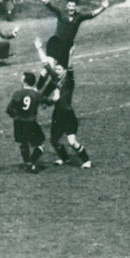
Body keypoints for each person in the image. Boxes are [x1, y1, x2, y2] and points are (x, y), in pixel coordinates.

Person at [33, 37, 91, 168]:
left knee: (72, 142)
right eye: (56, 69)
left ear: (64, 72)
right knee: (54, 141)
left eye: (59, 69)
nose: (57, 71)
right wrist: (39, 49)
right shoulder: (55, 79)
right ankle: (65, 159)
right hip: (57, 115)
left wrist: (70, 55)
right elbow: (46, 65)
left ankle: (87, 161)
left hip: (68, 115)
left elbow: (70, 67)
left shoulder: (69, 81)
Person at [30, 0, 109, 68]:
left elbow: (92, 14)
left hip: (67, 46)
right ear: (67, 6)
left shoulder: (79, 17)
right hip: (56, 44)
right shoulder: (61, 13)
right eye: (69, 6)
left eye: (73, 6)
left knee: (63, 71)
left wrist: (103, 7)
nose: (71, 8)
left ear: (76, 7)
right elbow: (47, 3)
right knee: (49, 68)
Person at [5, 71, 45, 173]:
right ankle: (31, 162)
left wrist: (16, 116)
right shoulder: (35, 94)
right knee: (40, 144)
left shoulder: (17, 94)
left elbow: (9, 109)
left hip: (18, 123)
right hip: (31, 123)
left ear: (25, 81)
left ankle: (27, 162)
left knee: (23, 143)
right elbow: (46, 101)